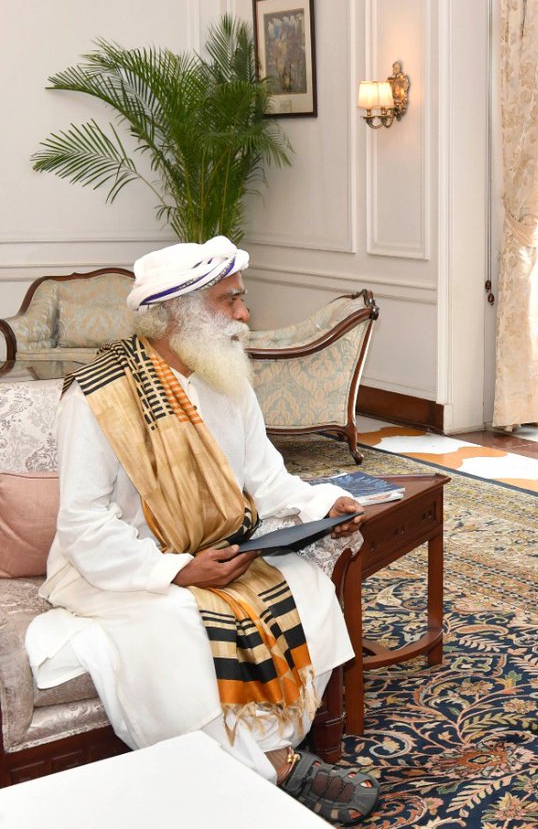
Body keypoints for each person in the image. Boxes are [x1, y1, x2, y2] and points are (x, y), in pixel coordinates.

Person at [24, 237, 380, 824]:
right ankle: (274, 769)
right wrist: (176, 570)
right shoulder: (97, 398)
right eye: (230, 301)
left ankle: (272, 747)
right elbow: (84, 523)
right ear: (178, 313)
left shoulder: (225, 378)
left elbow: (267, 477)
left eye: (241, 299)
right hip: (118, 568)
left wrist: (321, 502)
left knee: (305, 584)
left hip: (218, 550)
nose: (245, 314)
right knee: (178, 624)